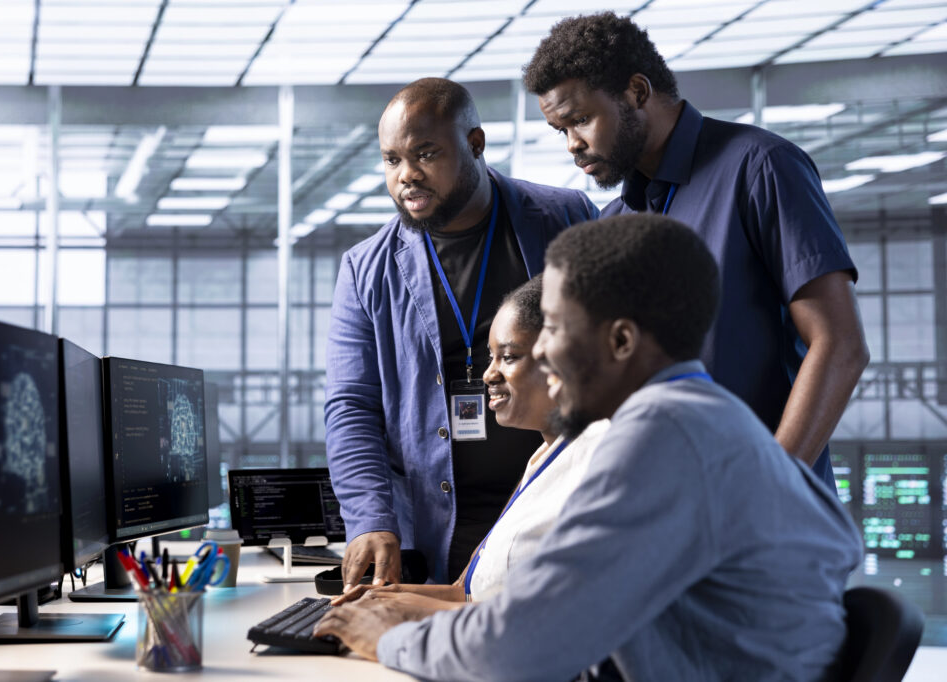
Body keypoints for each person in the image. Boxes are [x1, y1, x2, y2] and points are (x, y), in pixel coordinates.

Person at [316, 214, 863, 681]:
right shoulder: (710, 420)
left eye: (553, 328)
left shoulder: (658, 440)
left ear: (621, 341)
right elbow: (539, 615)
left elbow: (517, 646)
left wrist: (386, 638)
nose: (543, 354)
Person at [521, 12, 868, 490]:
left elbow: (840, 344)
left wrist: (771, 488)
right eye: (561, 130)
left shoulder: (761, 168)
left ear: (636, 92)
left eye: (580, 120)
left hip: (759, 519)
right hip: (658, 513)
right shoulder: (615, 221)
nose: (573, 145)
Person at [325, 77, 600, 587]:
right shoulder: (366, 269)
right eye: (391, 160)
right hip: (438, 528)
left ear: (474, 144)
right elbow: (351, 406)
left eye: (425, 153)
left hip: (556, 507)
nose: (407, 175)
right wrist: (370, 519)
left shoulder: (566, 219)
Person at [336, 276, 611, 610]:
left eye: (508, 357)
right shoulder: (545, 457)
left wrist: (399, 621)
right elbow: (467, 593)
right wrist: (379, 599)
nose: (488, 374)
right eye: (491, 357)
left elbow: (546, 616)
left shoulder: (599, 459)